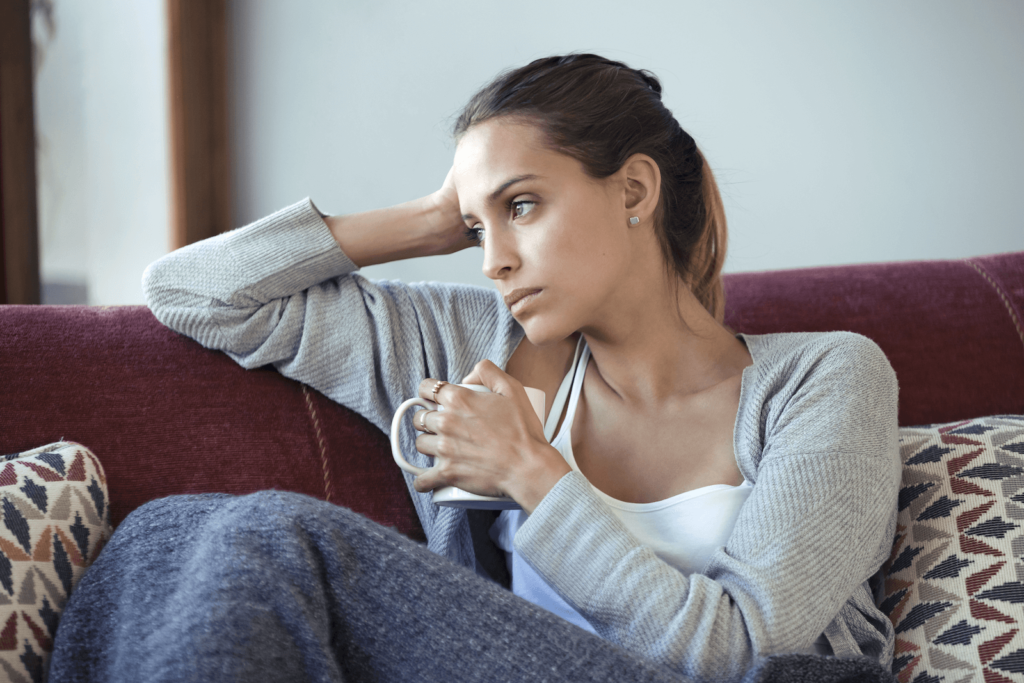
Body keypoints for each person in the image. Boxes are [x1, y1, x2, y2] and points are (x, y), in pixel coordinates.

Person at [49, 54, 901, 683]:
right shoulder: (471, 346)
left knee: (278, 536)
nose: (492, 259)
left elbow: (741, 650)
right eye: (476, 225)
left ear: (635, 192)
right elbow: (193, 293)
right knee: (175, 534)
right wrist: (428, 217)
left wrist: (531, 472)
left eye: (522, 205)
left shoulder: (824, 378)